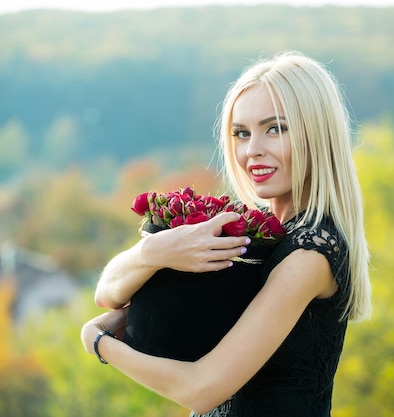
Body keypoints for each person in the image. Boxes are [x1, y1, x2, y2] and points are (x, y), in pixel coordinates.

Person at [81, 50, 372, 417]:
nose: (253, 151)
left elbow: (201, 388)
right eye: (241, 133)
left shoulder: (309, 253)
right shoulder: (260, 230)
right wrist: (154, 251)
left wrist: (99, 342)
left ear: (317, 134)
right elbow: (107, 294)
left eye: (275, 128)